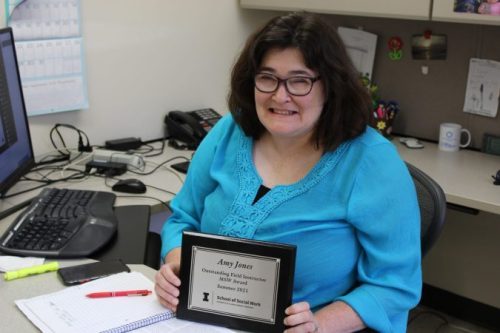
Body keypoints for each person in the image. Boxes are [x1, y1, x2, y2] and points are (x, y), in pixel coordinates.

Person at [155, 12, 422, 333]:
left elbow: (395, 285)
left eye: (300, 81)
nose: (280, 96)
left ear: (330, 86)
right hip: (205, 321)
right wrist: (175, 262)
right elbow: (184, 218)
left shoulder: (371, 162)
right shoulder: (229, 130)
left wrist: (318, 325)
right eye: (267, 77)